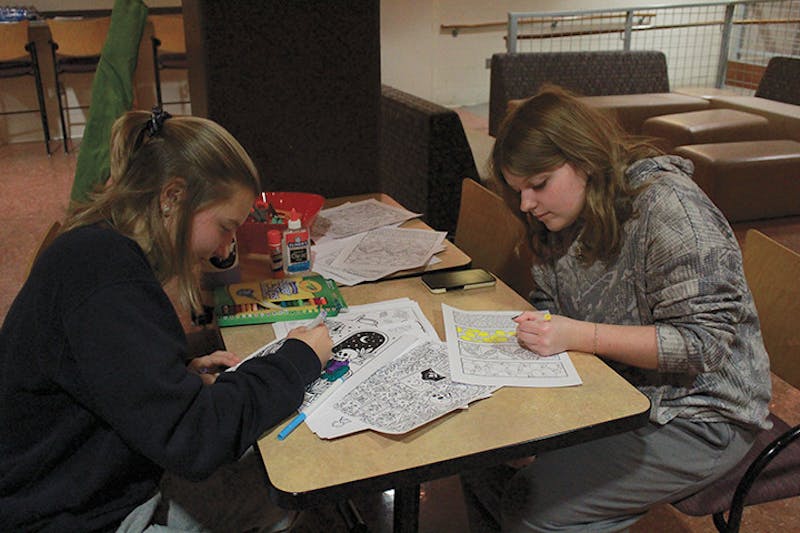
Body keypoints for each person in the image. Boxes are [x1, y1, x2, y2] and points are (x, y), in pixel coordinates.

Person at [0, 108, 333, 532]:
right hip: (69, 513)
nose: (224, 250)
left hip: (85, 477)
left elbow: (107, 371)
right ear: (173, 197)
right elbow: (196, 440)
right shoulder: (105, 280)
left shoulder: (98, 250)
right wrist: (297, 359)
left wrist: (171, 375)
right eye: (226, 227)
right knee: (280, 490)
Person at [461, 86, 772, 532]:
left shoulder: (670, 209)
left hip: (704, 415)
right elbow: (553, 299)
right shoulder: (560, 215)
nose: (526, 204)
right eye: (518, 190)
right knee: (481, 455)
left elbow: (704, 347)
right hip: (620, 390)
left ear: (584, 159)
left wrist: (575, 335)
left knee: (536, 512)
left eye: (539, 184)